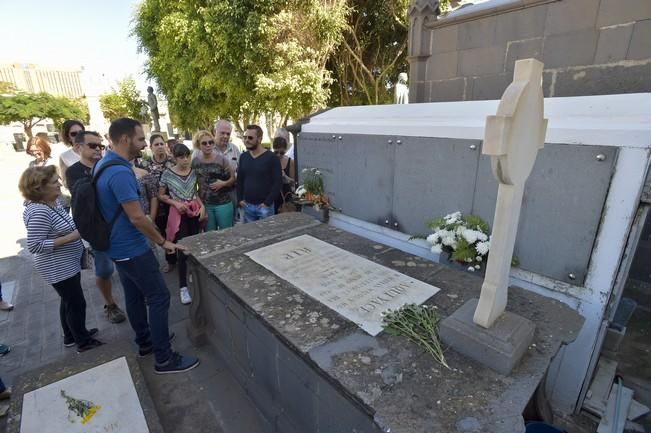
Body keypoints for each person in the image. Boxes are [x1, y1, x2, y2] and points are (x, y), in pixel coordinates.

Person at [94, 117, 199, 374]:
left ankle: (145, 341)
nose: (144, 144)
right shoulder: (119, 172)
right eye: (141, 139)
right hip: (132, 248)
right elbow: (137, 217)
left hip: (117, 247)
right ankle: (164, 358)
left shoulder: (104, 163)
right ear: (124, 139)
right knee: (160, 297)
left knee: (133, 295)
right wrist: (163, 242)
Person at [19, 166, 102, 353]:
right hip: (58, 267)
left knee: (68, 301)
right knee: (76, 302)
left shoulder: (51, 203)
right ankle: (83, 341)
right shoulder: (40, 211)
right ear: (39, 187)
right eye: (54, 182)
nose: (59, 184)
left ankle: (71, 335)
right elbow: (34, 245)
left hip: (66, 264)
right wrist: (72, 237)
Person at [65, 131, 127, 324]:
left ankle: (136, 297)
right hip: (97, 230)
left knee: (127, 264)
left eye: (101, 146)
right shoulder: (74, 171)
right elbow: (84, 196)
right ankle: (110, 304)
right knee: (104, 270)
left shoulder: (107, 164)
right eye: (93, 146)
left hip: (118, 226)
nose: (98, 149)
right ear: (78, 147)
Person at [159, 143, 206, 305]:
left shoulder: (193, 172)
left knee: (194, 244)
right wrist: (175, 203)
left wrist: (203, 206)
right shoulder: (167, 174)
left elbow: (194, 192)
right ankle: (182, 287)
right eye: (181, 157)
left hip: (193, 212)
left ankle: (192, 273)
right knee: (182, 247)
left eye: (187, 156)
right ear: (174, 157)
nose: (185, 160)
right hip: (178, 214)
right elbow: (161, 196)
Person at [237, 125, 282, 222]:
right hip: (247, 206)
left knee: (267, 235)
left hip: (265, 207)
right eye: (245, 137)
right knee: (250, 236)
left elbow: (277, 182)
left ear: (260, 139)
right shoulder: (243, 157)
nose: (246, 140)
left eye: (250, 137)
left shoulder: (271, 157)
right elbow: (240, 179)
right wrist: (239, 199)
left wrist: (267, 203)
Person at [192, 130, 235, 231]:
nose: (208, 145)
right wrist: (199, 203)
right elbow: (193, 184)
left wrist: (224, 183)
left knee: (227, 233)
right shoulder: (195, 161)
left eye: (210, 142)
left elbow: (233, 178)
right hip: (205, 204)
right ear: (198, 145)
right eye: (204, 143)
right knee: (209, 235)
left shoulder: (222, 159)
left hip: (223, 203)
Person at [272, 137, 296, 213]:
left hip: (286, 196)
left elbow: (294, 182)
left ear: (286, 150)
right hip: (272, 196)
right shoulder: (269, 160)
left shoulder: (290, 162)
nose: (278, 155)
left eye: (282, 153)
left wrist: (285, 177)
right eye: (276, 152)